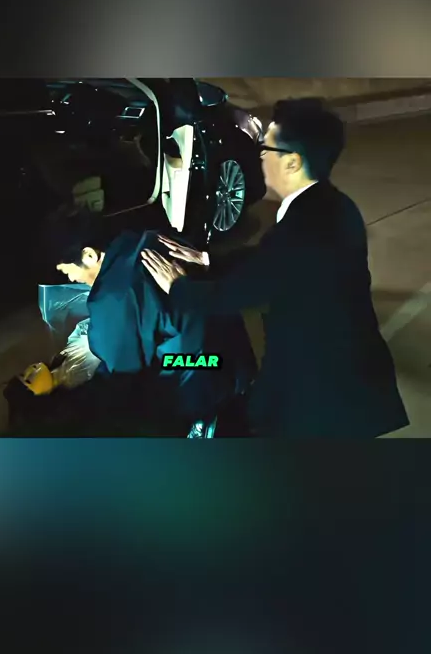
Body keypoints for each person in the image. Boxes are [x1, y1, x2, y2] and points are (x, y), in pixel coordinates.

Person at [141, 97, 410, 438]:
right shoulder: (334, 206)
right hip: (348, 372)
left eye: (265, 147)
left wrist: (177, 286)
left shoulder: (300, 230)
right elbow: (271, 263)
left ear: (292, 162)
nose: (259, 156)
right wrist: (208, 260)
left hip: (323, 390)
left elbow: (233, 295)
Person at [6, 208, 256, 437]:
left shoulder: (112, 299)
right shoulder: (151, 239)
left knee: (146, 382)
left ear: (89, 255)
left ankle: (200, 424)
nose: (71, 278)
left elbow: (125, 376)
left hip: (205, 372)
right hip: (234, 353)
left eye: (67, 270)